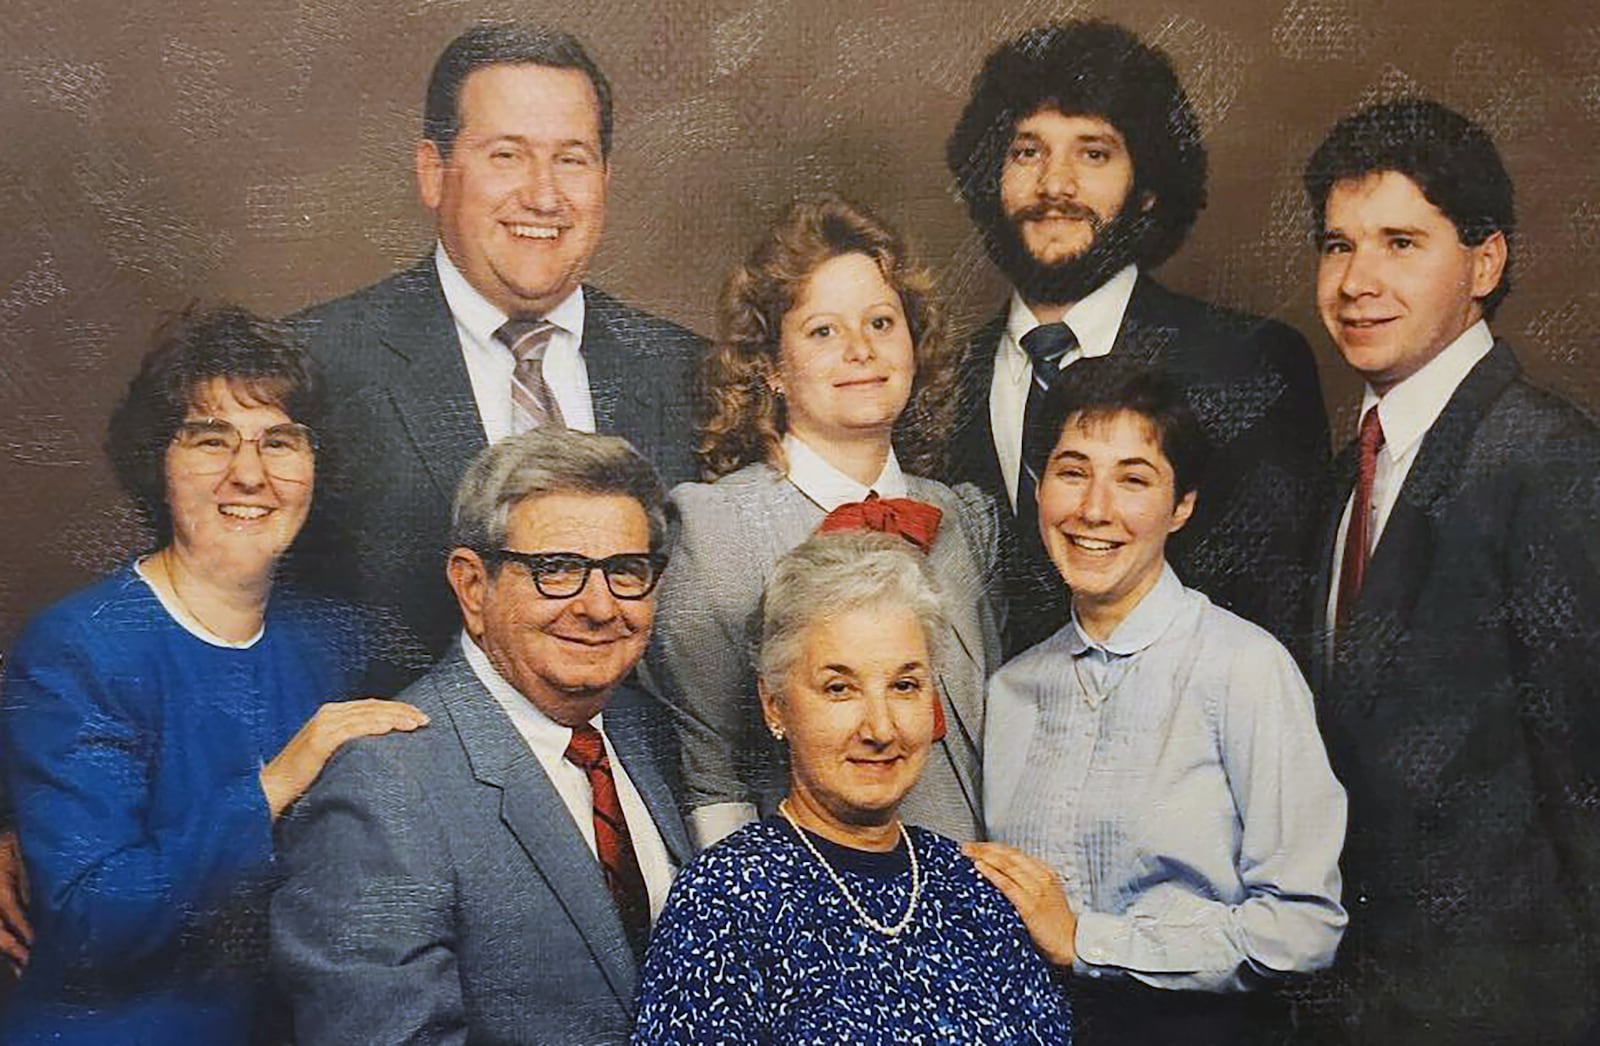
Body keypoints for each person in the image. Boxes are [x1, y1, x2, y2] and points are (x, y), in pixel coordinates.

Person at [0, 307, 427, 1044]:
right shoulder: (80, 647)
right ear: (155, 462)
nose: (251, 474)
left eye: (281, 442)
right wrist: (274, 784)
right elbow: (91, 916)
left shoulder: (334, 638)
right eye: (210, 440)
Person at [1302, 99, 1600, 1043]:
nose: (1359, 281)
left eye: (1400, 242)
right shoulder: (1347, 464)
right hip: (1368, 1001)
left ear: (1485, 262)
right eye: (1338, 245)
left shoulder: (1545, 458)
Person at [291, 23, 704, 686]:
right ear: (434, 172)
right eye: (507, 155)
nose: (543, 195)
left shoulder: (693, 375)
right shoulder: (316, 367)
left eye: (572, 158)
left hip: (643, 785)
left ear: (605, 177)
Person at [273, 428, 693, 1046]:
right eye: (558, 570)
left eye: (626, 571)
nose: (600, 607)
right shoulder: (381, 783)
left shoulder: (647, 730)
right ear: (472, 585)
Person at [978, 357, 1346, 1046]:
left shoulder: (1245, 669)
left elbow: (1305, 925)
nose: (1094, 509)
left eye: (1133, 479)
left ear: (1182, 506)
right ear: (1039, 489)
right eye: (1072, 470)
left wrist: (1091, 940)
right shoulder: (1011, 690)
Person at [945, 19, 1329, 656]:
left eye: (1093, 153)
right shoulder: (931, 380)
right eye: (1026, 151)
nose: (1054, 186)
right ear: (991, 175)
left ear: (1149, 189)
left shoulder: (1249, 363)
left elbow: (1280, 627)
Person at [646, 196, 999, 848]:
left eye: (882, 322)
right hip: (817, 907)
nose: (861, 350)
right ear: (772, 369)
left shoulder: (960, 517)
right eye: (823, 332)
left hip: (973, 895)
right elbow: (713, 781)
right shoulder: (715, 528)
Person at [634, 531, 1070, 1045]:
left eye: (904, 686)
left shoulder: (975, 887)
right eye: (839, 688)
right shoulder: (725, 900)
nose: (881, 729)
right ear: (775, 704)